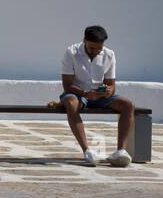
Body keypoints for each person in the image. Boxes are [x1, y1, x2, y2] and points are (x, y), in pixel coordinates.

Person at [54, 25, 136, 167]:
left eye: (99, 49)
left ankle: (121, 151)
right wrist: (85, 93)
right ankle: (87, 151)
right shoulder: (71, 52)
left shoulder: (109, 54)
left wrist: (107, 91)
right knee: (71, 102)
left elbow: (111, 85)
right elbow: (67, 85)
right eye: (92, 48)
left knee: (128, 105)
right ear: (84, 40)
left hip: (99, 95)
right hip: (78, 93)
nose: (96, 52)